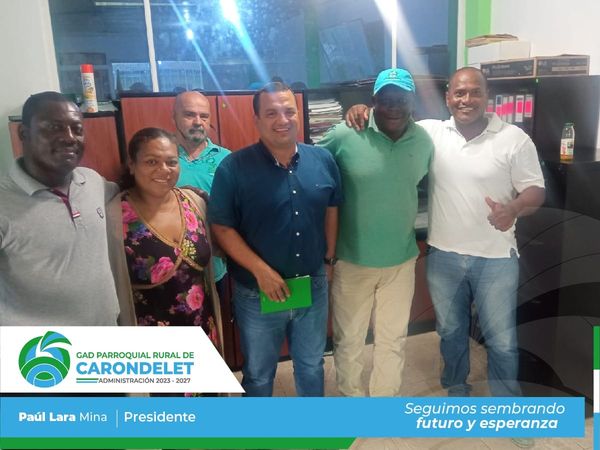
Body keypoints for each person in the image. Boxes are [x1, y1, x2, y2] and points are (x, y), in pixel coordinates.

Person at [345, 67, 545, 399]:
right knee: (451, 332)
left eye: (475, 92)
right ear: (448, 97)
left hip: (496, 258)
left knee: (502, 340)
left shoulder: (514, 138)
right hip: (444, 257)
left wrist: (514, 208)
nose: (467, 100)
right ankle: (457, 390)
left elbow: (535, 190)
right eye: (460, 93)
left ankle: (507, 406)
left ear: (487, 96)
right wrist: (361, 110)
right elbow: (390, 119)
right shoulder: (430, 132)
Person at [208, 82, 342, 397]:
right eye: (271, 113)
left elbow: (332, 209)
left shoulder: (323, 160)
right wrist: (261, 271)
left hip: (312, 285)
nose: (282, 120)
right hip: (257, 292)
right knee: (258, 374)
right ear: (256, 120)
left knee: (312, 366)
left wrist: (329, 259)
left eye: (288, 111)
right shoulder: (233, 168)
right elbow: (222, 227)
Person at [318, 68, 433, 397]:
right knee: (349, 340)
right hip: (352, 260)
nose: (394, 106)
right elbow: (308, 166)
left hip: (401, 261)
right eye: (386, 99)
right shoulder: (345, 134)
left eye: (401, 99)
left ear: (412, 102)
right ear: (373, 101)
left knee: (392, 339)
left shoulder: (424, 141)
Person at [0, 91, 131, 326]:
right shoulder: (5, 201)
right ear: (23, 133)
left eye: (77, 129)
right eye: (54, 128)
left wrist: (186, 194)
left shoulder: (92, 181)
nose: (70, 138)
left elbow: (129, 191)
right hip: (43, 347)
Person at [108, 127, 222, 351]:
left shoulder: (195, 202)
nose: (164, 170)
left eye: (171, 162)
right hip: (150, 345)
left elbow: (221, 247)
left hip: (203, 329)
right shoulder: (113, 216)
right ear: (132, 165)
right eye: (151, 162)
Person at [172, 91, 231, 302]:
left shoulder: (227, 159)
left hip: (214, 267)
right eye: (189, 115)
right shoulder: (163, 157)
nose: (198, 122)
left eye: (204, 116)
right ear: (174, 117)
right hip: (171, 267)